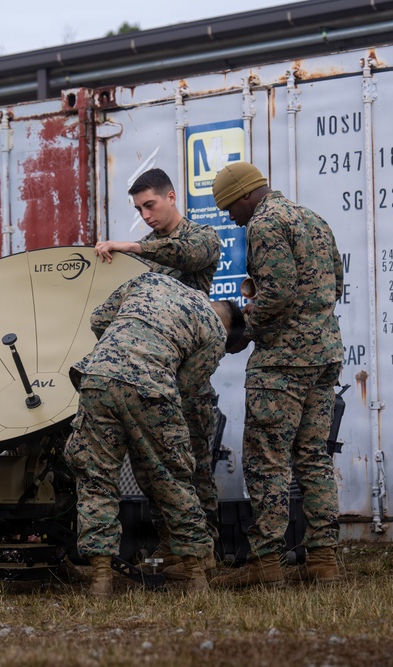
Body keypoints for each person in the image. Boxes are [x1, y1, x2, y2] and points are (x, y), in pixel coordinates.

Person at [64, 271, 243, 596]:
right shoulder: (215, 331)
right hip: (152, 389)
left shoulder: (149, 281)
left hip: (97, 377)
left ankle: (101, 579)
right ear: (230, 328)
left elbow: (99, 319)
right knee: (172, 479)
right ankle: (196, 578)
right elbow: (186, 387)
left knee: (96, 479)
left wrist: (123, 353)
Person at [209, 161, 344, 588]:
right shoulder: (313, 219)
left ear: (247, 194)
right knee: (313, 458)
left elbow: (277, 294)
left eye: (230, 207)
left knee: (267, 462)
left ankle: (266, 564)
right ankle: (323, 560)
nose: (231, 217)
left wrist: (247, 324)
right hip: (324, 356)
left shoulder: (265, 224)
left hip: (282, 365)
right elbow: (335, 283)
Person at [93, 168, 223, 576]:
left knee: (193, 467)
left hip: (189, 375)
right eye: (138, 209)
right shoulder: (144, 248)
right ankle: (173, 548)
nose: (145, 215)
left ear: (171, 197)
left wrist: (131, 247)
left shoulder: (202, 236)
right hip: (150, 377)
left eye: (150, 205)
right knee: (154, 470)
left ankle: (204, 554)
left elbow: (185, 256)